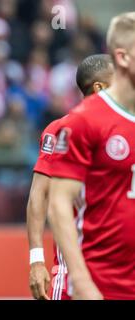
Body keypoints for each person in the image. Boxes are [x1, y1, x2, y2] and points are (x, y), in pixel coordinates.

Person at [47, 12, 135, 300]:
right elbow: (58, 203)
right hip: (100, 283)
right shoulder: (84, 121)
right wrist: (81, 282)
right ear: (123, 57)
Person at [26, 54, 114, 300]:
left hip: (122, 272)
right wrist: (36, 260)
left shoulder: (127, 130)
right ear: (100, 88)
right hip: (74, 274)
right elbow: (38, 196)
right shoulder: (61, 130)